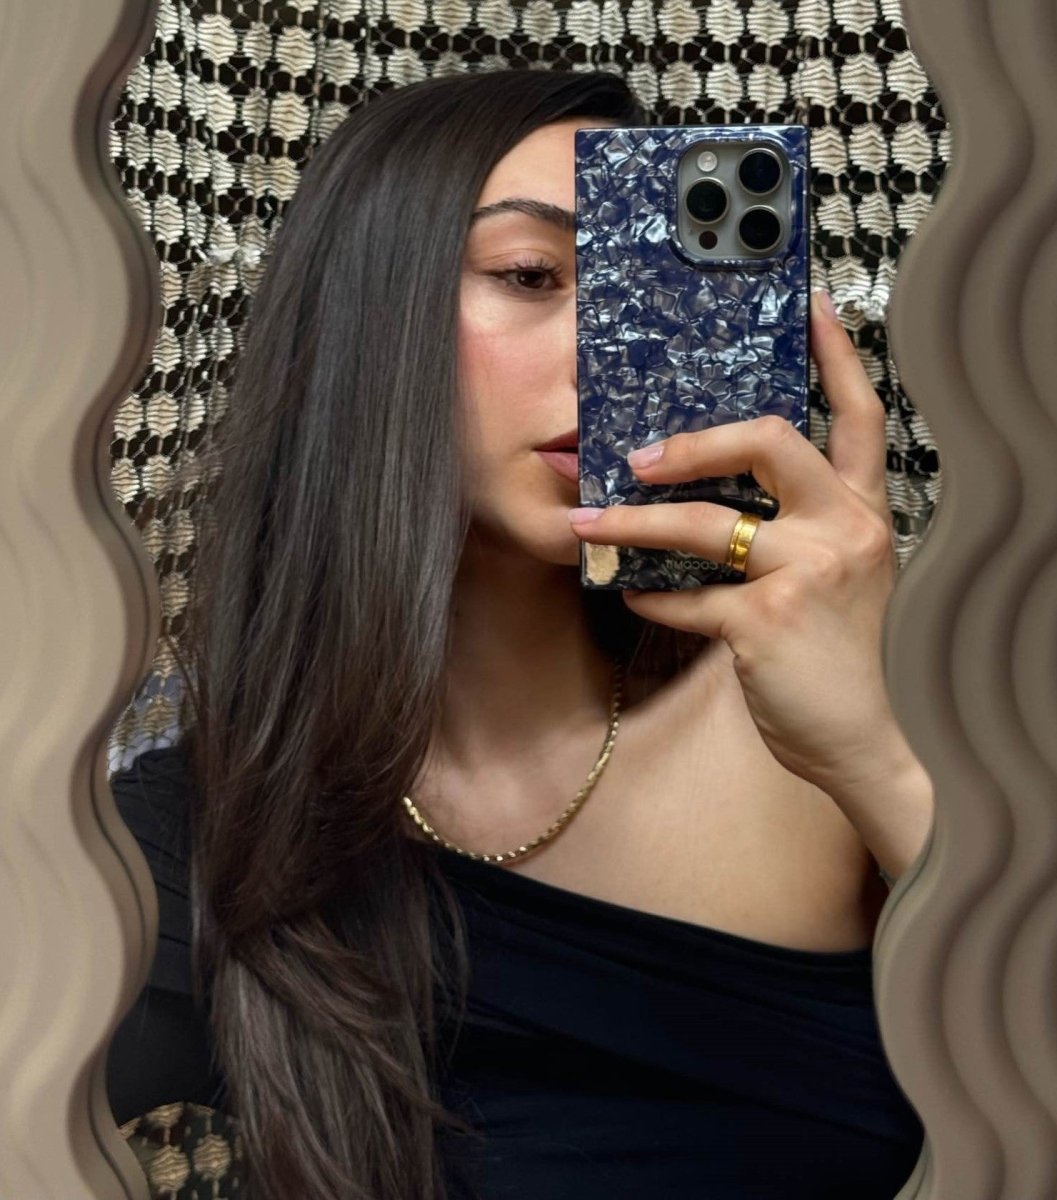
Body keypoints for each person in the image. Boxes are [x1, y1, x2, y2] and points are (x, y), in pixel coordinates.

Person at [106, 66, 932, 1200]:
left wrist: (881, 754)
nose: (613, 343)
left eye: (652, 283)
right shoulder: (207, 834)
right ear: (367, 317)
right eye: (532, 275)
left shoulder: (834, 725)